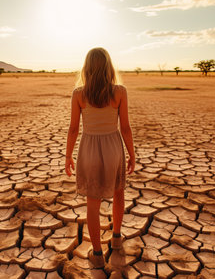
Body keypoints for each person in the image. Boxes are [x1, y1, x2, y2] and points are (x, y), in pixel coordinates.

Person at [65, 47, 135, 268]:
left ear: (86, 68)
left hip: (89, 149)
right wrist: (132, 154)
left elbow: (73, 129)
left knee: (92, 204)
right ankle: (116, 237)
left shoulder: (79, 93)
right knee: (118, 192)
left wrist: (68, 155)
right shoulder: (120, 91)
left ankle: (96, 254)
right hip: (113, 147)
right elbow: (125, 128)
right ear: (108, 66)